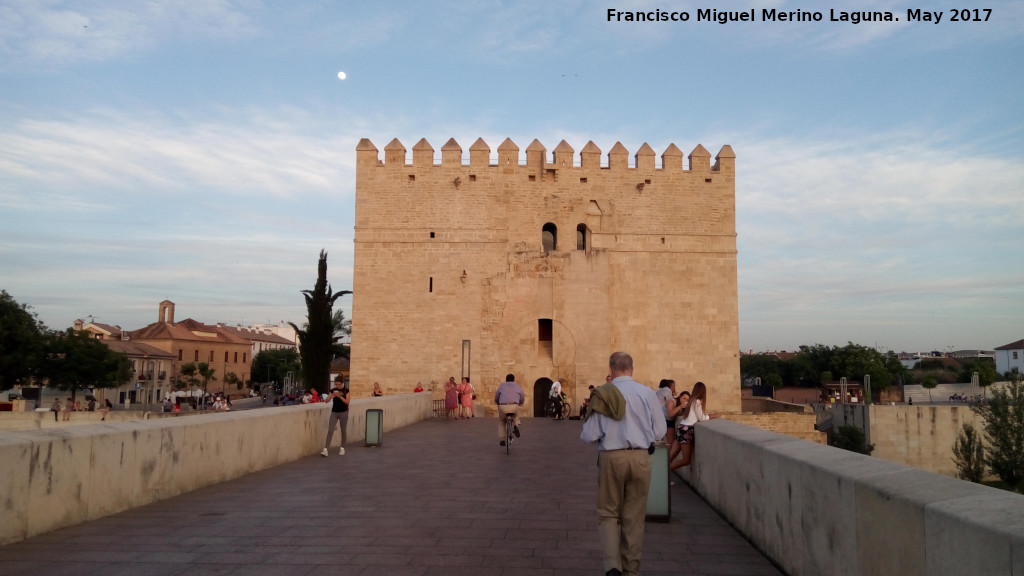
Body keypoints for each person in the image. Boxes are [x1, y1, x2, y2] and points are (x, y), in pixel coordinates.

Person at [580, 352, 666, 576]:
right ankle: (631, 570)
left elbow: (589, 435)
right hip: (641, 457)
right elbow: (659, 431)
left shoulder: (603, 394)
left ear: (611, 369)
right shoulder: (647, 393)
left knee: (609, 513)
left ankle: (612, 567)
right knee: (634, 517)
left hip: (612, 457)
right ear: (632, 369)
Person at [670, 381, 714, 470]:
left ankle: (658, 472)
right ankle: (664, 472)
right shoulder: (696, 402)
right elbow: (701, 418)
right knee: (685, 460)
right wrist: (713, 416)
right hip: (687, 430)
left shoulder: (691, 401)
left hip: (681, 427)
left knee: (671, 456)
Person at [321, 376, 350, 457]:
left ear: (342, 383)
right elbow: (326, 401)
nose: (338, 386)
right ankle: (325, 449)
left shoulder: (346, 390)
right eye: (336, 384)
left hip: (343, 412)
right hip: (334, 412)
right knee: (330, 430)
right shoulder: (333, 390)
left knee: (343, 431)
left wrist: (340, 397)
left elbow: (347, 402)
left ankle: (342, 448)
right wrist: (331, 396)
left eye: (339, 384)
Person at [494, 373, 525, 446]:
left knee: (502, 422)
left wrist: (497, 402)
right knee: (516, 416)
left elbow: (497, 396)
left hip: (503, 406)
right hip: (514, 405)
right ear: (514, 379)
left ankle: (502, 439)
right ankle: (516, 425)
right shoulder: (517, 386)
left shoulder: (502, 385)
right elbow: (522, 396)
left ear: (506, 379)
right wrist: (520, 402)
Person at [655, 379, 676, 444]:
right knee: (670, 443)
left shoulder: (659, 391)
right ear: (672, 386)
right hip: (665, 418)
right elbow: (670, 403)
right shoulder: (667, 390)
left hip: (657, 417)